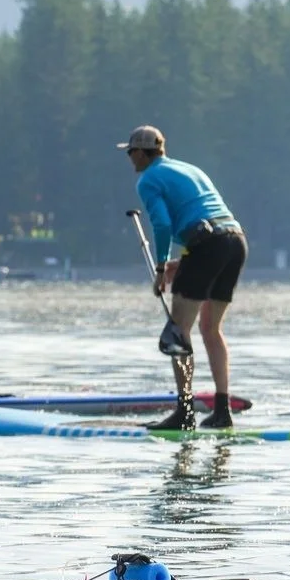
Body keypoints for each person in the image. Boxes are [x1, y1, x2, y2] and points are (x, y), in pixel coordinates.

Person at [120, 125, 247, 430]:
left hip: (207, 246)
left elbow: (162, 226)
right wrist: (182, 263)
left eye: (129, 152)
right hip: (235, 241)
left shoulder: (148, 179)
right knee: (211, 329)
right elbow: (207, 223)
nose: (129, 159)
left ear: (140, 152)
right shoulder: (188, 168)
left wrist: (162, 268)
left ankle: (185, 411)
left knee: (178, 331)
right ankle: (222, 410)